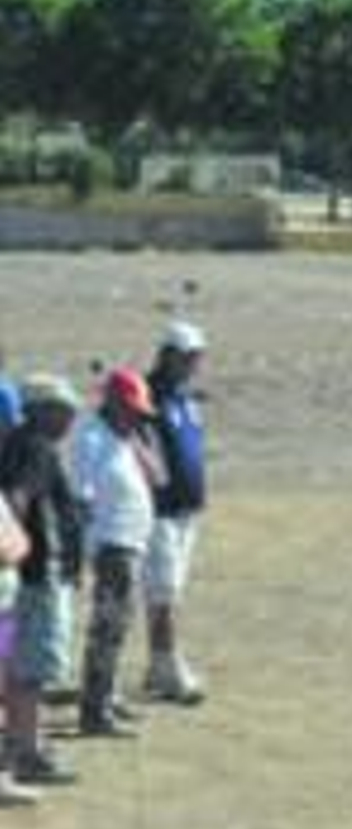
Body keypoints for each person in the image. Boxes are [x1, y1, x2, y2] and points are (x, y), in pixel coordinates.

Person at [0, 374, 84, 789]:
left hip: (19, 579)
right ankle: (26, 751)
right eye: (62, 408)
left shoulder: (18, 445)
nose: (70, 417)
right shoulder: (35, 447)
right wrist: (17, 546)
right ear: (38, 410)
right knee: (28, 669)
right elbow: (19, 499)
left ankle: (19, 744)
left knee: (13, 666)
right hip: (31, 580)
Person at [73, 366, 160, 739]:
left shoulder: (122, 437)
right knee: (107, 628)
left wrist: (139, 435)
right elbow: (83, 496)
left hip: (130, 544)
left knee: (119, 628)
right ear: (111, 404)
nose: (136, 417)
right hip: (111, 546)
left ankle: (106, 696)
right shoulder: (92, 439)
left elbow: (160, 477)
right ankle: (95, 709)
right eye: (131, 410)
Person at [143, 320, 209, 705]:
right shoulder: (147, 396)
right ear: (166, 355)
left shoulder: (184, 396)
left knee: (169, 592)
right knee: (163, 592)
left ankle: (157, 664)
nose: (193, 364)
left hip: (186, 510)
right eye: (187, 356)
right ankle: (171, 669)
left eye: (197, 356)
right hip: (159, 511)